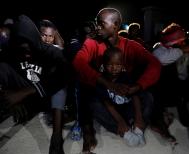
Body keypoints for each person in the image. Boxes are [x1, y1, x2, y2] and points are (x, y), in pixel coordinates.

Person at [72, 7, 161, 153]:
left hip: (127, 96)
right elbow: (78, 63)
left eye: (101, 23)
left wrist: (138, 86)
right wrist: (108, 84)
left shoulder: (131, 46)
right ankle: (123, 129)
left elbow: (155, 64)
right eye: (96, 23)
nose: (97, 27)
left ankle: (138, 125)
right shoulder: (92, 43)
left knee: (148, 96)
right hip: (106, 97)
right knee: (91, 99)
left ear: (116, 25)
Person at [0, 15, 71, 154]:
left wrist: (25, 92)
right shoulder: (9, 53)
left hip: (47, 97)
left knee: (60, 84)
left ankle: (56, 137)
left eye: (29, 50)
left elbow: (64, 77)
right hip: (29, 99)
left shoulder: (52, 52)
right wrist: (10, 97)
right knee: (3, 67)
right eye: (22, 50)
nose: (27, 54)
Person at [96, 46, 146, 146]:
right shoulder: (102, 80)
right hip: (113, 114)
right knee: (95, 106)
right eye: (110, 65)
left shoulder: (126, 77)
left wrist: (139, 117)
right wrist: (120, 121)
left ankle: (138, 128)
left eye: (118, 65)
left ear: (123, 65)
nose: (114, 68)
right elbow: (107, 103)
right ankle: (125, 132)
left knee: (147, 97)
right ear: (104, 65)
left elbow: (135, 96)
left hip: (128, 111)